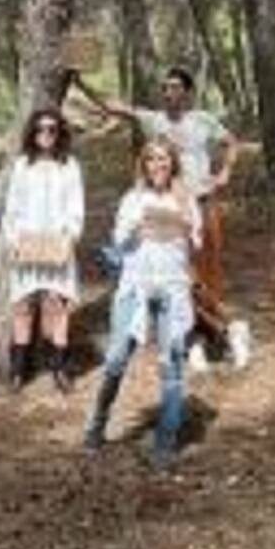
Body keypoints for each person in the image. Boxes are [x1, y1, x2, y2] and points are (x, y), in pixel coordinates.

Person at [79, 66, 250, 370]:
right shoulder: (153, 120)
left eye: (175, 87)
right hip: (170, 209)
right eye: (165, 88)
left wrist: (223, 172)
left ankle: (225, 330)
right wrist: (79, 80)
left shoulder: (202, 120)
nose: (169, 93)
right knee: (181, 275)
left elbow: (232, 143)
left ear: (187, 92)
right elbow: (112, 107)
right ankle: (201, 338)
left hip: (203, 204)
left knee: (207, 275)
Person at [85, 138, 203, 467]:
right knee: (115, 360)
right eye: (151, 160)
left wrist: (188, 225)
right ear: (144, 164)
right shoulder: (132, 199)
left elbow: (196, 244)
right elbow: (118, 247)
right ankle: (95, 425)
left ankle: (165, 443)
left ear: (173, 163)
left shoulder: (186, 199)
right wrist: (135, 230)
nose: (158, 165)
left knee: (172, 367)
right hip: (134, 289)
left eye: (163, 159)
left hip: (173, 292)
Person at [2, 106, 84, 393]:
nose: (45, 134)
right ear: (32, 133)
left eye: (51, 129)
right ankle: (17, 370)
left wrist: (71, 236)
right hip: (27, 242)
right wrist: (14, 240)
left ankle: (59, 368)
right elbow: (11, 208)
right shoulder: (22, 165)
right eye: (40, 129)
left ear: (59, 132)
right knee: (23, 305)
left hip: (58, 244)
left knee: (56, 304)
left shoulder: (69, 165)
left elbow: (76, 207)